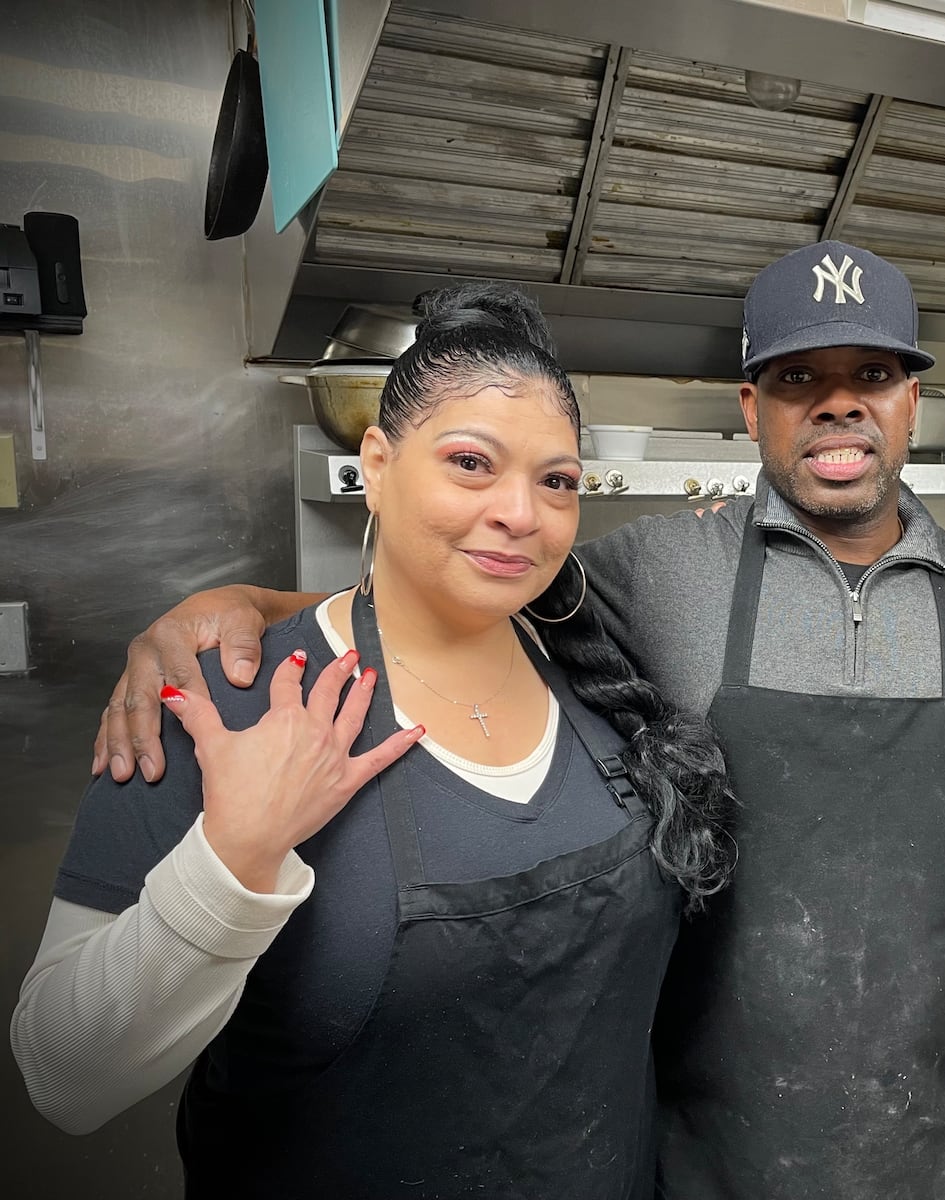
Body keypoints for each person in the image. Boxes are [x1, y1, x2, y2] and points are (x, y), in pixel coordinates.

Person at [84, 241, 945, 1200]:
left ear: (915, 400)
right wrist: (243, 605)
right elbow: (456, 591)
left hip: (928, 1142)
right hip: (703, 1148)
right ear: (750, 408)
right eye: (799, 377)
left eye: (873, 374)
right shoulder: (655, 574)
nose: (839, 402)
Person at [12, 284, 736, 1199]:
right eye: (472, 463)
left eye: (556, 480)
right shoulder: (230, 702)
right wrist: (233, 854)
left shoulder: (601, 676)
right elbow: (61, 1075)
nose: (522, 511)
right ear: (379, 466)